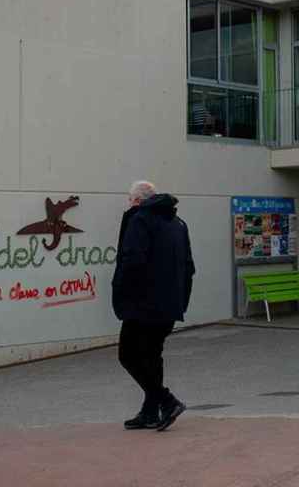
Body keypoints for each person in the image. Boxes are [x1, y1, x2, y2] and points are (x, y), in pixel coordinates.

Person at [112, 180, 195, 432]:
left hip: (142, 304)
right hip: (169, 304)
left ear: (138, 201)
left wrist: (123, 294)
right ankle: (150, 411)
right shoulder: (178, 224)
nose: (129, 204)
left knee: (128, 355)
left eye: (130, 200)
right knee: (152, 356)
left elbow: (131, 260)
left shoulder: (139, 219)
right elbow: (189, 267)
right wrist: (180, 301)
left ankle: (167, 401)